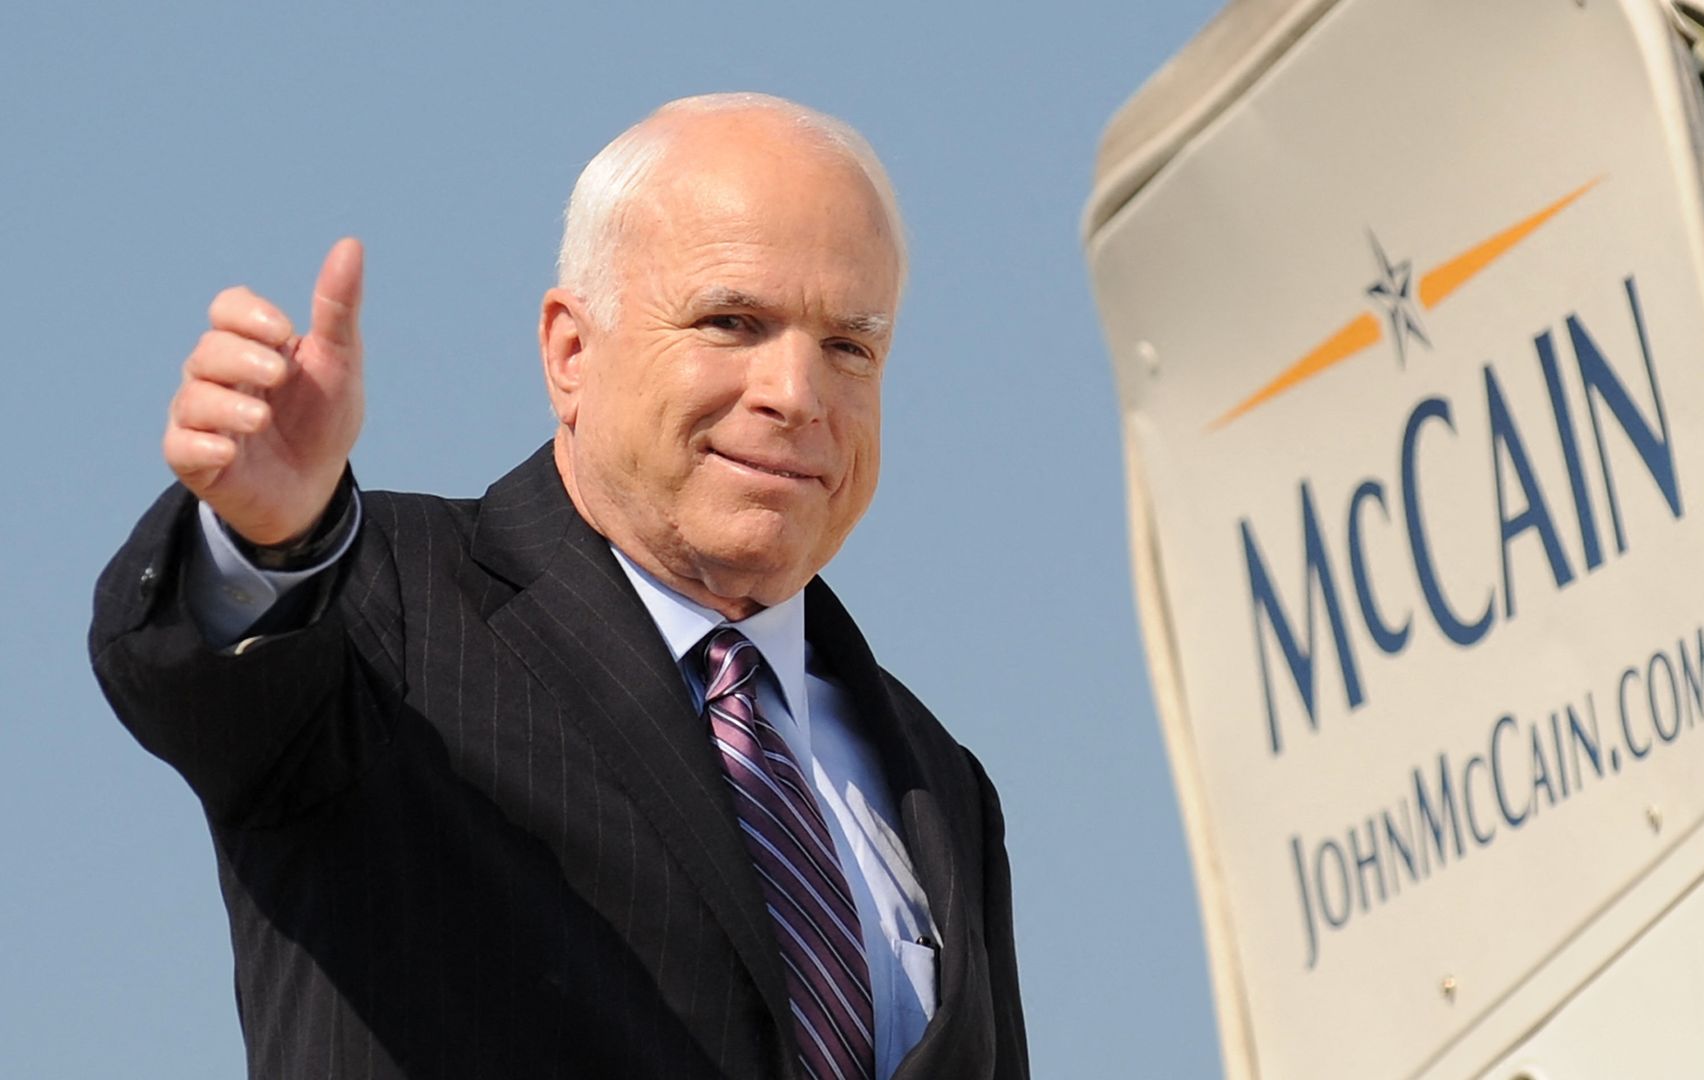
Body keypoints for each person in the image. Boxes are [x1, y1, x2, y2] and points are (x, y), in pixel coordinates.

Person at [88, 93, 1028, 1080]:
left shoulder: (940, 784)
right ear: (571, 352)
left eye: (849, 347)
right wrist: (268, 543)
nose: (796, 396)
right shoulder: (384, 604)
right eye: (731, 322)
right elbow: (201, 681)